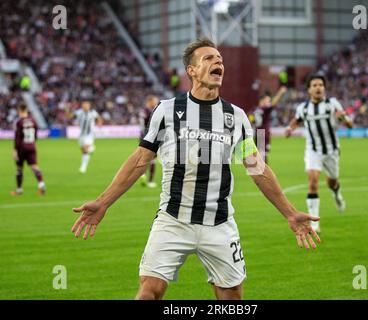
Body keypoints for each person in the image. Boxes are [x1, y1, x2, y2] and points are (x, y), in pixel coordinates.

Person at [71, 38, 320, 300]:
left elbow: (258, 169)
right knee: (148, 293)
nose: (218, 62)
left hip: (219, 223)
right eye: (209, 58)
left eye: (220, 59)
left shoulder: (238, 117)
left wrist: (290, 213)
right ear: (191, 70)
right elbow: (140, 159)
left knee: (231, 298)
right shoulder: (166, 111)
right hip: (172, 221)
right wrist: (103, 203)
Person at [284, 74, 353, 233]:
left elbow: (349, 124)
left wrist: (344, 119)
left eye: (321, 85)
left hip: (331, 151)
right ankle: (314, 222)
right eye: (314, 85)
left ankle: (336, 193)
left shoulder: (332, 104)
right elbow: (297, 120)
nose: (318, 88)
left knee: (332, 182)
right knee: (313, 180)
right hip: (313, 150)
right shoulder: (303, 108)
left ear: (324, 88)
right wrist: (289, 128)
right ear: (309, 90)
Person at [11, 104, 46, 196]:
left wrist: (15, 150)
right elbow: (36, 134)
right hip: (32, 145)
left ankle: (19, 190)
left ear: (19, 110)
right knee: (34, 166)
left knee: (19, 169)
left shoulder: (19, 122)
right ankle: (41, 185)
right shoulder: (33, 120)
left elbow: (17, 137)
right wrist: (33, 143)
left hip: (22, 147)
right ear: (26, 110)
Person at [252, 86, 287, 163]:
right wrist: (280, 92)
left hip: (258, 133)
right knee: (263, 158)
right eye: (267, 101)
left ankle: (262, 173)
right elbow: (274, 103)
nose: (268, 102)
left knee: (260, 157)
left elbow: (251, 120)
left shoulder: (255, 109)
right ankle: (265, 174)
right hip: (263, 133)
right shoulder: (264, 109)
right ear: (262, 100)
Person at [75, 100, 102, 173]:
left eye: (87, 105)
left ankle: (83, 167)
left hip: (89, 134)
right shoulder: (79, 112)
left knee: (85, 148)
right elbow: (70, 116)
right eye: (84, 105)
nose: (85, 107)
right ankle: (92, 149)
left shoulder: (93, 113)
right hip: (81, 134)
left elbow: (99, 118)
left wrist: (99, 123)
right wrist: (67, 110)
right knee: (83, 150)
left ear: (89, 106)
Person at [139, 95, 159, 188]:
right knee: (152, 160)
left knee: (144, 158)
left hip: (143, 137)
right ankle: (150, 181)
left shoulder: (143, 111)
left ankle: (142, 175)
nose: (156, 102)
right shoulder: (151, 111)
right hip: (150, 137)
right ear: (150, 101)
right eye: (155, 101)